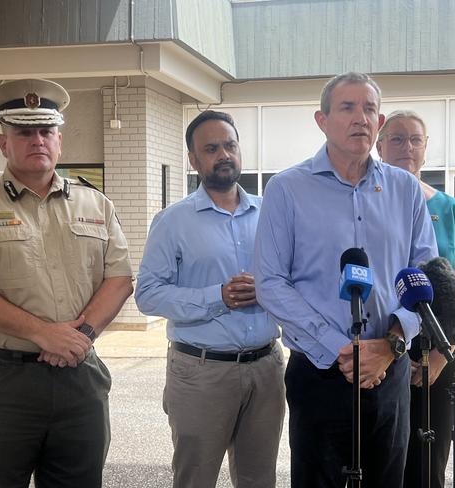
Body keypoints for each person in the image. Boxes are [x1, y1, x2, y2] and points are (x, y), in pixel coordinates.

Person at [0, 78, 134, 488]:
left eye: (46, 131)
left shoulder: (97, 203)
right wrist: (45, 334)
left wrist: (79, 338)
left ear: (59, 140)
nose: (36, 140)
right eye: (24, 131)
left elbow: (119, 279)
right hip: (0, 382)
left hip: (79, 378)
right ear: (4, 143)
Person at [253, 72, 438, 488]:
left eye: (369, 109)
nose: (360, 118)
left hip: (388, 372)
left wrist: (390, 344)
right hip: (320, 373)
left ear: (380, 119)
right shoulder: (287, 189)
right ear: (322, 120)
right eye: (348, 108)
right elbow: (270, 281)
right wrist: (343, 349)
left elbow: (425, 274)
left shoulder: (404, 189)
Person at [135, 110, 285, 488]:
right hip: (201, 372)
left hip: (267, 368)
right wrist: (218, 296)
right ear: (194, 160)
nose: (224, 155)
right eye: (211, 148)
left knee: (259, 478)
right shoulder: (173, 221)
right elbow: (148, 294)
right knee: (195, 478)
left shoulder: (272, 213)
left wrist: (269, 289)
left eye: (230, 145)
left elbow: (294, 279)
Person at [376, 110, 455, 488]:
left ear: (425, 148)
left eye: (415, 139)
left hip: (438, 349)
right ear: (380, 145)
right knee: (380, 460)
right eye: (397, 138)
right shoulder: (363, 204)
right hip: (378, 347)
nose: (407, 147)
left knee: (427, 465)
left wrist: (442, 353)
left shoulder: (452, 210)